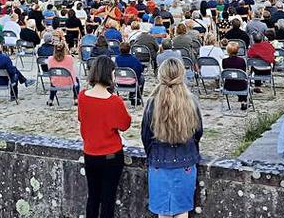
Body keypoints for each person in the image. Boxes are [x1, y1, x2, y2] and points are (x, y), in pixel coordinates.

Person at [142, 58, 203, 218]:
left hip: (159, 161)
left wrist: (153, 154)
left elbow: (145, 136)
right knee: (182, 211)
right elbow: (198, 132)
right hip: (185, 161)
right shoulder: (191, 102)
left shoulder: (152, 103)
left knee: (163, 213)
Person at [78, 56, 132, 218]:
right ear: (109, 74)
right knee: (108, 200)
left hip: (90, 153)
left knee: (93, 197)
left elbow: (82, 119)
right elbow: (125, 124)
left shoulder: (82, 96)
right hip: (110, 155)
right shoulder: (114, 101)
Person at [46, 42, 79, 106]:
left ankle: (51, 99)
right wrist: (68, 51)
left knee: (53, 79)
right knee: (76, 79)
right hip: (68, 82)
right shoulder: (69, 58)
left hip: (55, 83)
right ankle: (76, 98)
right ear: (64, 49)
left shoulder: (50, 59)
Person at [115, 41, 145, 106]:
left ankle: (133, 95)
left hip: (119, 82)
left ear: (120, 50)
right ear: (129, 50)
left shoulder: (116, 59)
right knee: (142, 78)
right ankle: (136, 97)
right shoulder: (134, 59)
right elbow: (140, 70)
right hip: (132, 82)